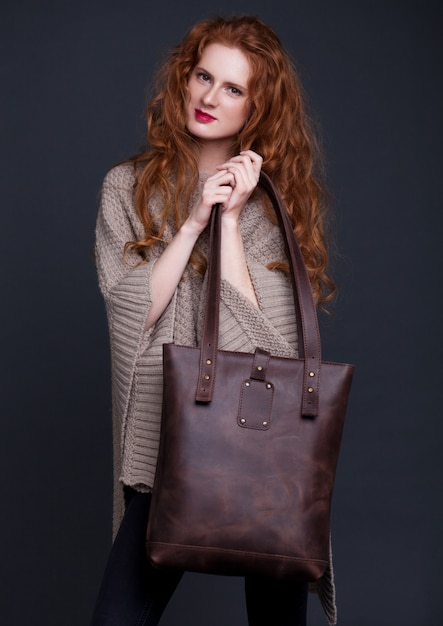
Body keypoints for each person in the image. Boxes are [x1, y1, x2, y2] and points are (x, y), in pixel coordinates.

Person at [92, 15, 337, 626]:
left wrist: (231, 222)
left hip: (264, 462)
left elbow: (273, 347)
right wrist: (197, 220)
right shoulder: (127, 188)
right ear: (185, 76)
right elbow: (131, 318)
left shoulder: (279, 208)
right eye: (204, 76)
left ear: (257, 107)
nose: (209, 97)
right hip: (164, 449)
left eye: (233, 88)